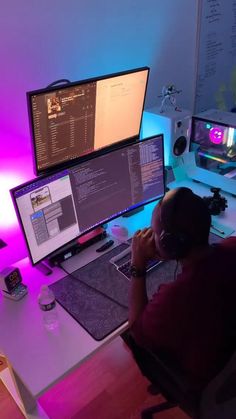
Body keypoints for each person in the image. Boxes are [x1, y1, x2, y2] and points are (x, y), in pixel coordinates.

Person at [128, 187, 236, 394]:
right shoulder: (232, 246)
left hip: (209, 380)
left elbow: (136, 330)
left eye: (155, 233)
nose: (151, 236)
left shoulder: (175, 298)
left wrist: (138, 264)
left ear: (171, 245)